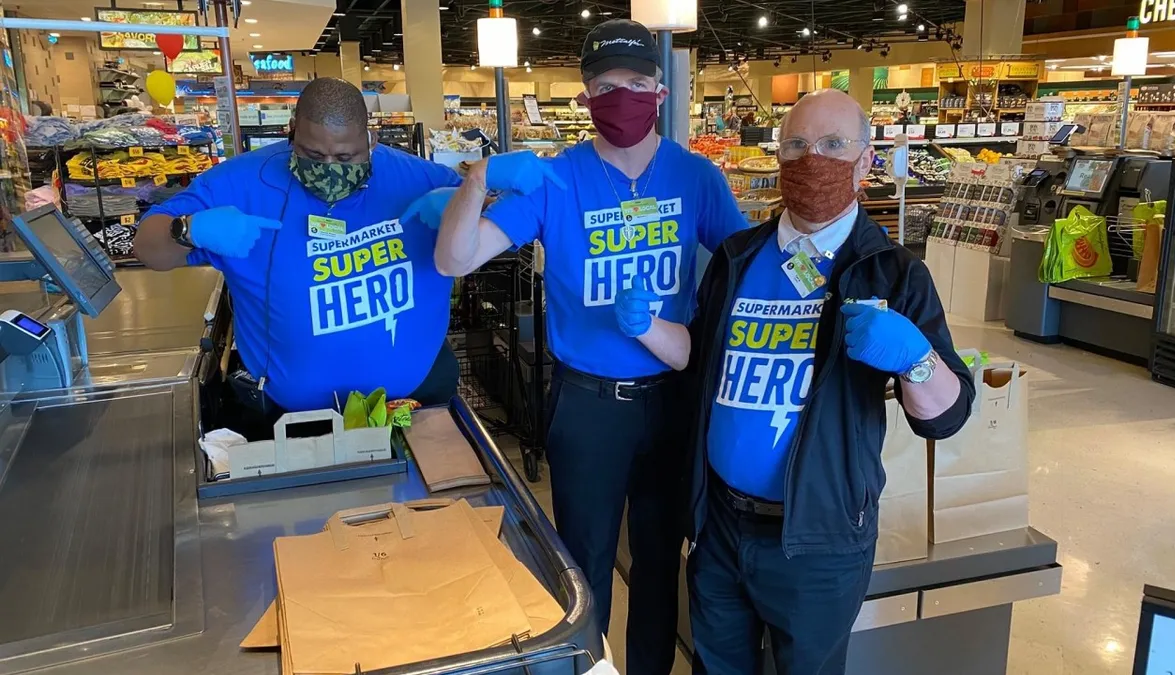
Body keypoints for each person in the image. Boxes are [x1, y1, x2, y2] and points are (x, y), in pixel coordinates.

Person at [406, 19, 747, 674]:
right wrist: (476, 180)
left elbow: (743, 268)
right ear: (587, 97)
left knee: (657, 561)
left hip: (673, 398)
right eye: (607, 85)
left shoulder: (696, 179)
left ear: (660, 91)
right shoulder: (554, 181)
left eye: (638, 83)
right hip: (587, 407)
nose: (624, 96)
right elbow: (454, 258)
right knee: (583, 566)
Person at [677, 89, 976, 674]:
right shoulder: (737, 256)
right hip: (719, 528)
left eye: (834, 145)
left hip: (818, 541)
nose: (813, 159)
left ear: (867, 161)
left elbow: (946, 415)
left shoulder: (894, 272)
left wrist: (913, 357)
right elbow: (701, 366)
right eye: (797, 145)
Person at [133, 77, 462, 432]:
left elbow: (507, 226)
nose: (330, 168)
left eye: (346, 157)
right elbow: (148, 249)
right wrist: (190, 229)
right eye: (314, 155)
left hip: (418, 404)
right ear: (292, 132)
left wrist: (474, 199)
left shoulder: (421, 180)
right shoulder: (239, 183)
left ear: (371, 140)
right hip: (295, 420)